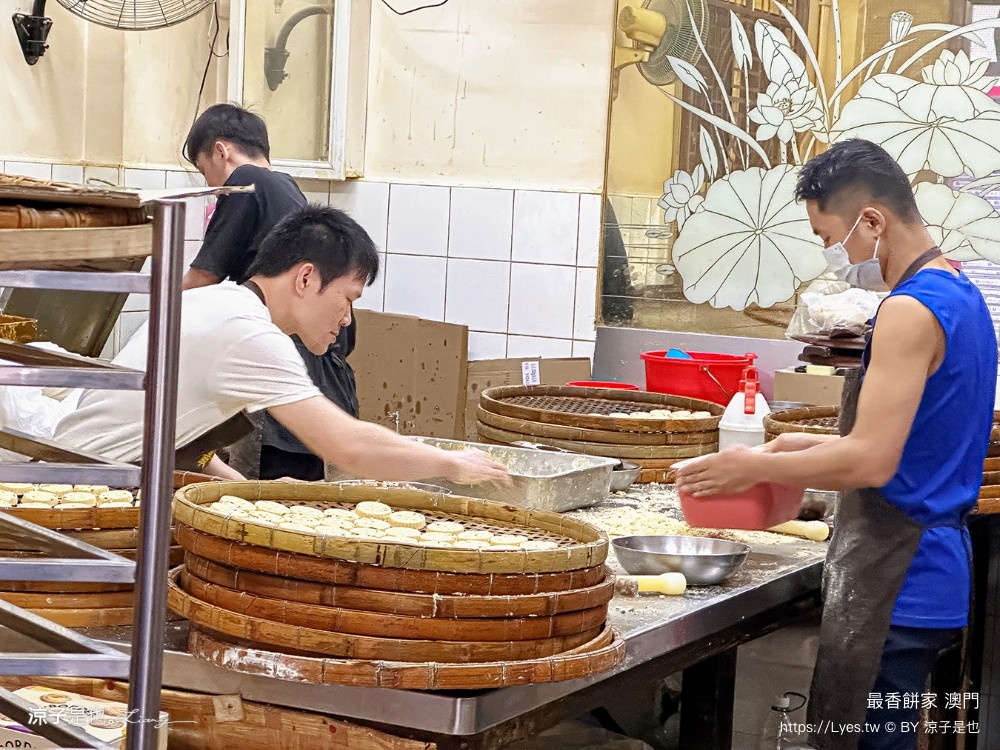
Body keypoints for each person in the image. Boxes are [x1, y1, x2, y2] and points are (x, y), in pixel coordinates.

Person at [676, 139, 997, 750]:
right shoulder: (961, 292)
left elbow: (872, 460)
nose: (834, 255)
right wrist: (800, 444)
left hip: (895, 580)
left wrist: (746, 467)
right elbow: (918, 437)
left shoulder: (909, 311)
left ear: (872, 221)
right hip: (933, 570)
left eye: (832, 237)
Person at [53, 205, 509, 487]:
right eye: (347, 299)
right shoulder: (249, 333)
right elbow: (346, 445)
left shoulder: (218, 302)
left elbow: (170, 432)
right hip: (85, 494)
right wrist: (451, 463)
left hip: (82, 471)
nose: (347, 319)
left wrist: (248, 492)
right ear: (306, 277)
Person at [181, 103, 358, 481]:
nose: (210, 186)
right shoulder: (287, 188)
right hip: (324, 376)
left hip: (280, 381)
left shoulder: (247, 180)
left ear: (221, 150)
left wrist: (156, 309)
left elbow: (202, 278)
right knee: (295, 503)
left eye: (203, 171)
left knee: (261, 513)